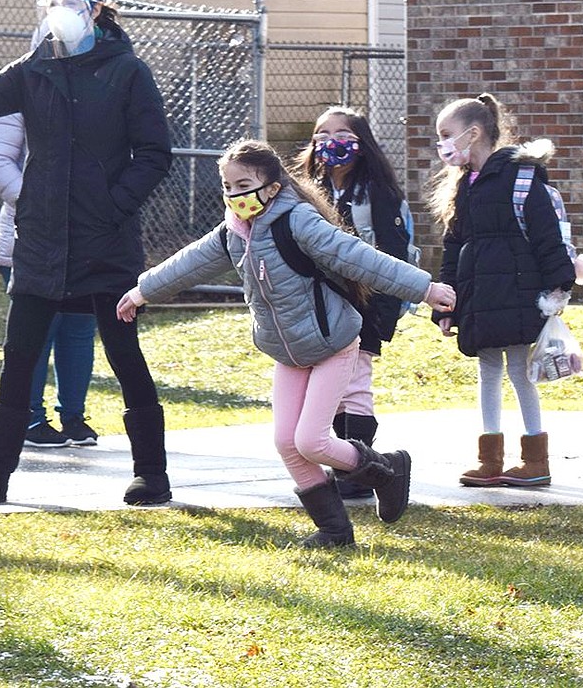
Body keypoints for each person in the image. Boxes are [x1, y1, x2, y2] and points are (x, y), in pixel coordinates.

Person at [116, 139, 457, 548]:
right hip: (286, 350)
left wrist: (424, 288)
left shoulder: (298, 221)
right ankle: (334, 531)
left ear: (273, 187)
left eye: (243, 184)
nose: (234, 195)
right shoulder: (233, 233)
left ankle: (386, 469)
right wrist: (141, 292)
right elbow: (189, 262)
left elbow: (359, 258)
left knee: (311, 441)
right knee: (286, 442)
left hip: (332, 342)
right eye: (227, 186)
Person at [0, 0, 174, 505]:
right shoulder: (35, 67)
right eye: (50, 1)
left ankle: (152, 476)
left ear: (92, 8)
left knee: (124, 355)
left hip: (105, 243)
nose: (56, 10)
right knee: (19, 356)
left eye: (68, 1)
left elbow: (155, 154)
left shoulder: (127, 70)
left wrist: (112, 206)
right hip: (40, 242)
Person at [427, 93, 577, 488]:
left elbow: (546, 237)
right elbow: (454, 249)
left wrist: (558, 285)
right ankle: (490, 459)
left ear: (473, 134)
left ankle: (534, 458)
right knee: (488, 370)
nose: (441, 143)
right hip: (481, 299)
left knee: (521, 372)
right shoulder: (464, 186)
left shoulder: (521, 178)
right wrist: (447, 304)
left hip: (518, 294)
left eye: (446, 134)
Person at [294, 106, 413, 499]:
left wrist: (386, 308)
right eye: (322, 135)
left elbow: (393, 252)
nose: (331, 143)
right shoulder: (307, 191)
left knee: (355, 383)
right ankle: (346, 461)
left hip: (366, 303)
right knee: (333, 386)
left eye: (341, 134)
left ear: (361, 144)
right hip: (322, 304)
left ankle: (359, 469)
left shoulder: (378, 193)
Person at [0, 111, 99, 447]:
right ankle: (31, 419)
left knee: (78, 327)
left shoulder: (94, 86)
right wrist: (41, 204)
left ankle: (73, 418)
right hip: (28, 236)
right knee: (38, 330)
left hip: (85, 235)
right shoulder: (19, 88)